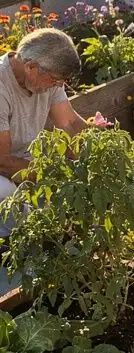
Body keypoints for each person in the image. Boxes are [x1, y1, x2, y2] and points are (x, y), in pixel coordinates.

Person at [0, 29, 88, 221]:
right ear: (30, 67)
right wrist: (53, 176)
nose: (58, 85)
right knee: (5, 193)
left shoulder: (47, 76)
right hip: (3, 165)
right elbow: (3, 161)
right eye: (55, 80)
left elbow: (70, 123)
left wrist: (100, 147)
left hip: (24, 157)